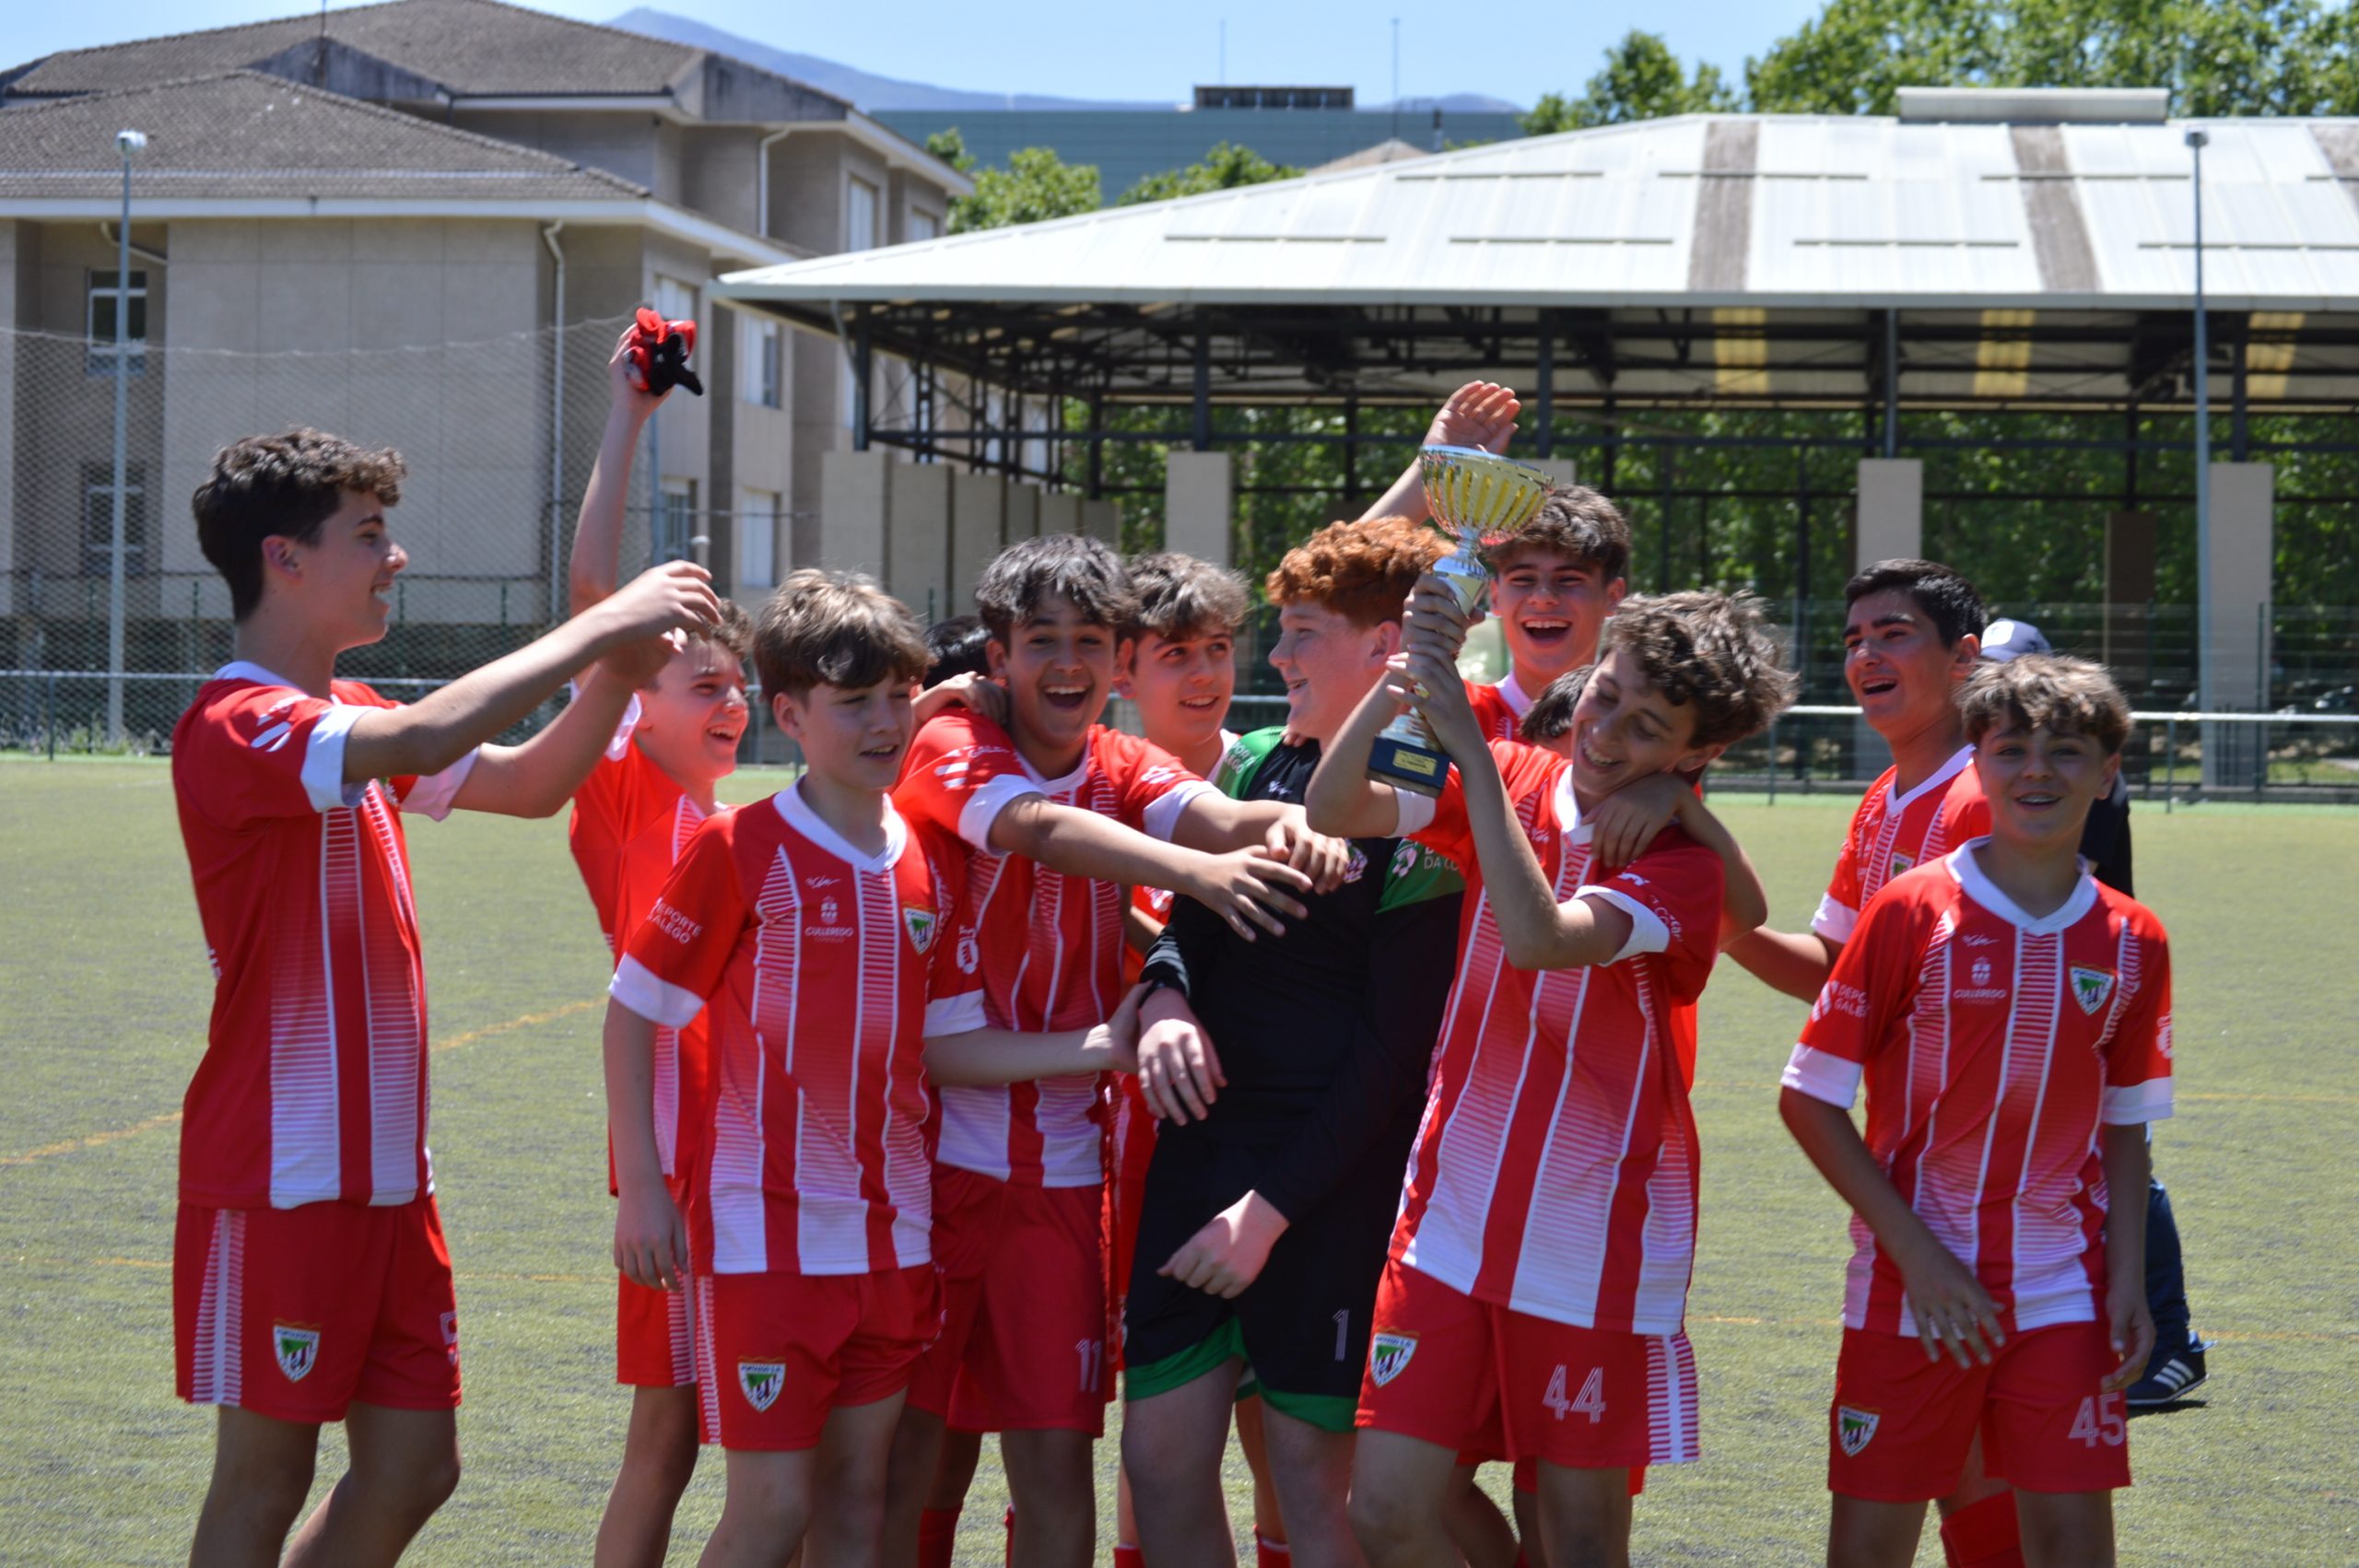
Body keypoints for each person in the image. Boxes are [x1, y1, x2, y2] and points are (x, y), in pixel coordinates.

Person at [170, 428, 719, 1566]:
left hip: (387, 1178)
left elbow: (528, 783)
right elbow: (428, 731)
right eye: (367, 535)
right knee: (263, 1477)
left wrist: (612, 667)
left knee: (419, 1464)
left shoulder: (346, 711)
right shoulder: (239, 721)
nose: (396, 556)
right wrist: (595, 628)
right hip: (283, 1170)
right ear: (284, 559)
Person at [604, 568, 1142, 1567]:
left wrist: (1100, 1047)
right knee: (770, 1510)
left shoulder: (921, 861)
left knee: (858, 1503)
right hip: (763, 1233)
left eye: (897, 696)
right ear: (790, 714)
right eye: (853, 703)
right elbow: (635, 1009)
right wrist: (643, 1185)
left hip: (894, 1234)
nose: (883, 721)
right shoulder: (740, 846)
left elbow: (946, 1045)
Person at [1309, 591, 1795, 1568]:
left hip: (1591, 1238)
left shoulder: (1679, 863)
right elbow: (1334, 805)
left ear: (1693, 755)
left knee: (1576, 1536)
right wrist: (1405, 671)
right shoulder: (1524, 770)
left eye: (1645, 727)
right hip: (1448, 1213)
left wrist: (1480, 767)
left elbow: (1538, 939)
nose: (1604, 731)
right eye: (1604, 696)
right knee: (1386, 1511)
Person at [881, 534, 1336, 1568]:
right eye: (1042, 640)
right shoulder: (951, 744)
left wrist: (1297, 828)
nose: (1068, 663)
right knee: (906, 1465)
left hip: (1062, 1180)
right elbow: (1037, 828)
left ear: (1117, 655)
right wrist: (1199, 874)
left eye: (1090, 639)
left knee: (1055, 1472)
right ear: (995, 656)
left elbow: (1216, 811)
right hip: (929, 1171)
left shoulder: (1120, 760)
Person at [1120, 519, 1466, 1568]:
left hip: (1325, 1187)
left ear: (1383, 651)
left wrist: (1264, 1218)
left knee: (1320, 1487)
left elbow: (1392, 1061)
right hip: (1197, 1161)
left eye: (1300, 633)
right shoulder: (1262, 763)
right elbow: (1186, 927)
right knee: (1159, 1460)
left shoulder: (1430, 802)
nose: (1274, 657)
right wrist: (1166, 1001)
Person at [1777, 654, 2173, 1568]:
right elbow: (1809, 1097)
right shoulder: (1911, 911)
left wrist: (2124, 1281)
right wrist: (1918, 1258)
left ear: (2108, 771)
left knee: (2073, 1550)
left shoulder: (2131, 937)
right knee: (1869, 1551)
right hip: (1906, 1291)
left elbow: (2124, 1127)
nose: (2037, 769)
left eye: (2066, 751)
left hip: (2061, 1292)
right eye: (2012, 749)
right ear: (1978, 762)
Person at [563, 327, 757, 1568]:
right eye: (701, 683)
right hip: (671, 1164)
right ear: (640, 696)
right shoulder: (627, 787)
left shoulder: (737, 820)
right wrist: (631, 417)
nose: (728, 702)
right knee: (666, 1440)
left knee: (741, 1434)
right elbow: (596, 598)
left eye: (739, 684)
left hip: (742, 1155)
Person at [1978, 620, 2206, 1409]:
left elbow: (2065, 877)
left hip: (2086, 982)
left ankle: (2172, 1340)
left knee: (2119, 1156)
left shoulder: (2076, 773)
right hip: (2011, 984)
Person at [1356, 380, 1628, 743]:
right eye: (1523, 580)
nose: (1543, 597)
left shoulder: (1635, 731)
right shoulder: (1443, 711)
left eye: (1568, 580)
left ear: (1613, 595)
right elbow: (1325, 593)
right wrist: (1428, 476)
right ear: (1494, 596)